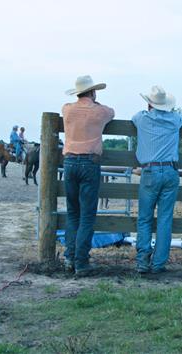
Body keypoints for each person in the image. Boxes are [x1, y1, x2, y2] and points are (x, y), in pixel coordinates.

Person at [62, 75, 115, 276]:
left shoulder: (67, 109)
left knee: (72, 212)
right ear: (93, 92)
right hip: (89, 163)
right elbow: (112, 112)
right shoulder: (100, 111)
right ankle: (81, 261)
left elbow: (67, 108)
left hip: (69, 163)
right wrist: (96, 102)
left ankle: (69, 257)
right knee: (86, 215)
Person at [132, 86, 182, 274]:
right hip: (171, 171)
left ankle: (142, 262)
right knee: (165, 219)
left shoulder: (141, 118)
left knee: (145, 218)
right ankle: (158, 263)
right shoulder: (176, 120)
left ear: (149, 104)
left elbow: (134, 118)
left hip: (150, 171)